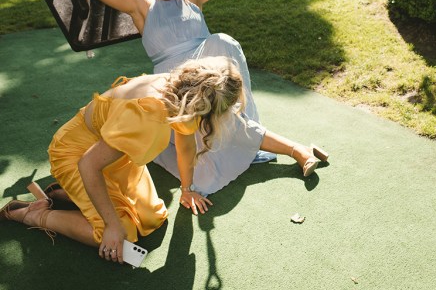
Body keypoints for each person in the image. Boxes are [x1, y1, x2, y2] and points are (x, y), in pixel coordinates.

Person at [76, 0, 327, 195]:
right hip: (175, 84)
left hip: (212, 74)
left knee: (223, 43)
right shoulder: (141, 5)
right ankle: (293, 149)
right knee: (206, 151)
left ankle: (288, 147)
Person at [0, 56, 326, 263]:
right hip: (77, 154)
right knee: (122, 233)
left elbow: (185, 146)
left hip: (113, 155)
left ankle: (68, 195)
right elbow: (89, 163)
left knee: (153, 216)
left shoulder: (181, 96)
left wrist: (187, 188)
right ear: (205, 106)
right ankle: (32, 214)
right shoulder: (149, 116)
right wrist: (111, 225)